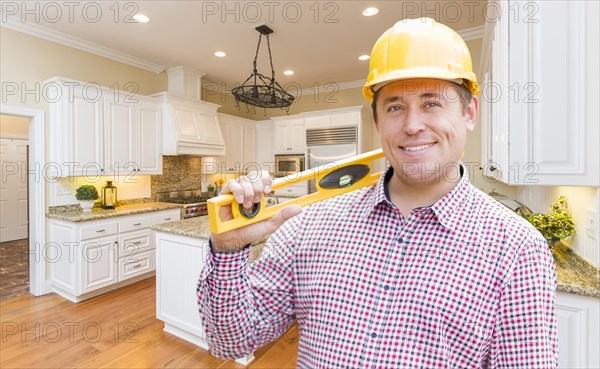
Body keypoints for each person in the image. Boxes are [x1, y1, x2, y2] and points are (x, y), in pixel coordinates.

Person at [197, 18, 558, 368]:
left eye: (432, 103)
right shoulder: (307, 225)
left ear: (470, 112)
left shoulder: (517, 250)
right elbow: (231, 342)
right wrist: (228, 251)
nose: (413, 125)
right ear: (377, 122)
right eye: (395, 107)